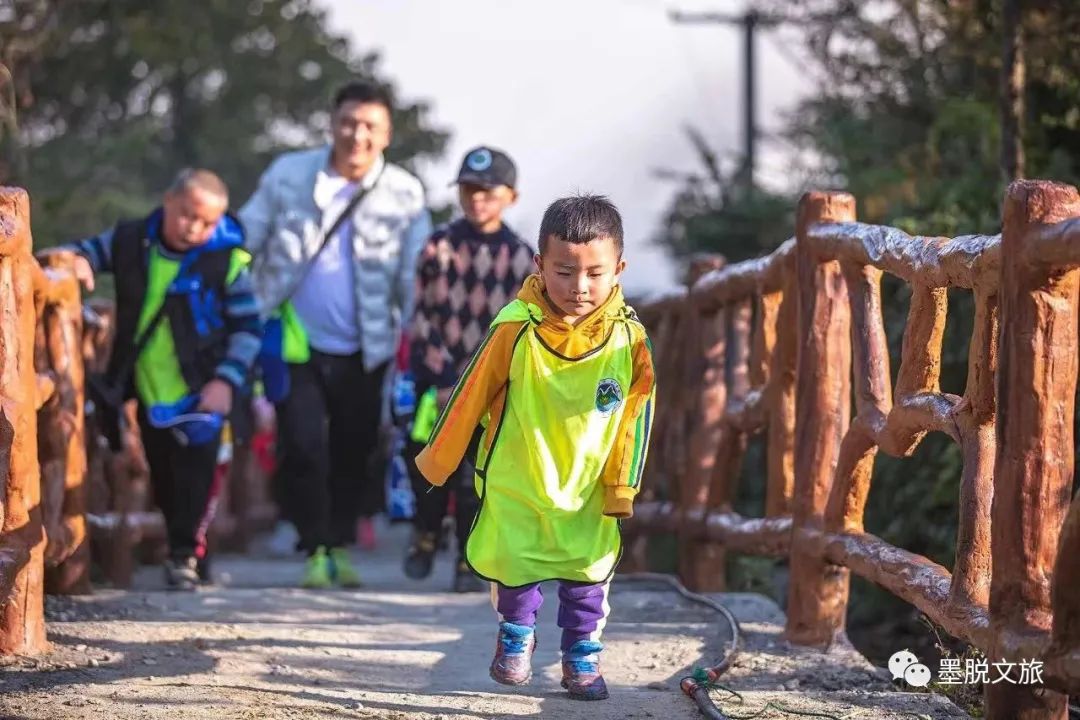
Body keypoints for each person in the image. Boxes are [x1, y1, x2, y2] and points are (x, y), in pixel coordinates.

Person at [415, 194, 656, 700]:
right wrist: (439, 459)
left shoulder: (628, 340)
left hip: (588, 483)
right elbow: (471, 390)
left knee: (588, 573)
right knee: (517, 563)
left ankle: (581, 661)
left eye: (595, 272)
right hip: (519, 474)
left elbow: (637, 415)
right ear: (539, 264)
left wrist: (623, 484)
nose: (580, 287)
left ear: (619, 268)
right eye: (564, 272)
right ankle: (516, 638)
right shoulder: (515, 326)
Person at [240, 80, 432, 588]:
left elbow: (418, 272)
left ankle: (339, 542)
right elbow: (247, 234)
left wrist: (422, 331)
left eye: (370, 125)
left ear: (387, 133)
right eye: (349, 122)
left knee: (357, 447)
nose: (357, 134)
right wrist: (230, 294)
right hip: (294, 337)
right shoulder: (289, 174)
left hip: (367, 344)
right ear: (332, 123)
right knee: (302, 444)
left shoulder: (406, 192)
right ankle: (314, 545)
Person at [65, 169, 262, 590]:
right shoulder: (131, 240)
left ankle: (183, 556)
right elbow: (79, 252)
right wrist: (77, 263)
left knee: (197, 470)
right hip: (149, 390)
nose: (195, 227)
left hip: (203, 389)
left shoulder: (227, 261)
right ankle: (185, 548)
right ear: (168, 202)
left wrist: (226, 382)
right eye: (187, 215)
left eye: (207, 222)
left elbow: (248, 328)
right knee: (164, 473)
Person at [402, 146, 534, 593]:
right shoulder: (439, 246)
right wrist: (444, 378)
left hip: (492, 382)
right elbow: (420, 314)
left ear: (510, 197)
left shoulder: (521, 260)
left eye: (487, 191)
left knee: (477, 471)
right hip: (437, 378)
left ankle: (466, 557)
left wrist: (486, 380)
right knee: (428, 461)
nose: (476, 199)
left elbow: (520, 328)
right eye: (468, 189)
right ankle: (424, 532)